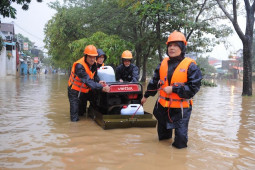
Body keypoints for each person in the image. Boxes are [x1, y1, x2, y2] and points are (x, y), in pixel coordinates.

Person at [141, 31, 202, 149]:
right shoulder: (162, 64)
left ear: (182, 47)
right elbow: (154, 82)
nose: (172, 48)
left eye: (175, 45)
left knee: (180, 142)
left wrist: (174, 89)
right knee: (163, 139)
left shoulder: (191, 66)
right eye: (170, 45)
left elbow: (193, 88)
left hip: (181, 109)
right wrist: (146, 96)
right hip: (162, 107)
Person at [68, 45, 110, 122]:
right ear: (86, 56)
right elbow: (88, 81)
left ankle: (93, 112)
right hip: (74, 91)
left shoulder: (94, 64)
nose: (92, 59)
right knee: (75, 117)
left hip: (84, 90)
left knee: (83, 111)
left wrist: (98, 82)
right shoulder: (79, 66)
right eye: (90, 57)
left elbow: (95, 76)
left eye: (94, 57)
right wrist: (101, 87)